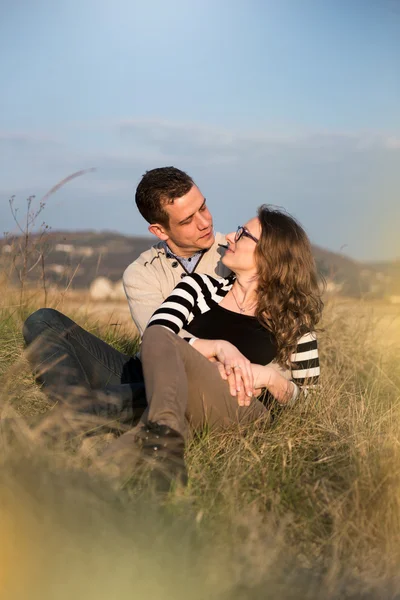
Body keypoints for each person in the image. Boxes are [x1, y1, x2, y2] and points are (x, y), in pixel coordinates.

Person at [23, 205, 323, 491]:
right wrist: (217, 349)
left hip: (237, 412)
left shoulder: (295, 326)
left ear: (270, 254)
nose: (230, 237)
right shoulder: (199, 288)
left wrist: (268, 377)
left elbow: (310, 403)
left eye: (243, 234)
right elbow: (158, 332)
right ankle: (144, 447)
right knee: (48, 322)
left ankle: (77, 416)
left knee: (164, 346)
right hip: (171, 394)